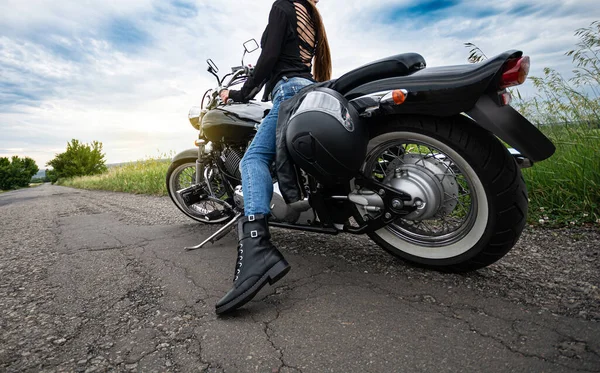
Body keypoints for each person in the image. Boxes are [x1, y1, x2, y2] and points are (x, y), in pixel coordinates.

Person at [215, 0, 331, 314]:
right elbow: (283, 58)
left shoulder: (282, 5)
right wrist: (258, 75)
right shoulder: (311, 16)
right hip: (306, 87)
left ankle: (257, 248)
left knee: (253, 159)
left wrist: (240, 93)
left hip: (287, 91)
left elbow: (269, 57)